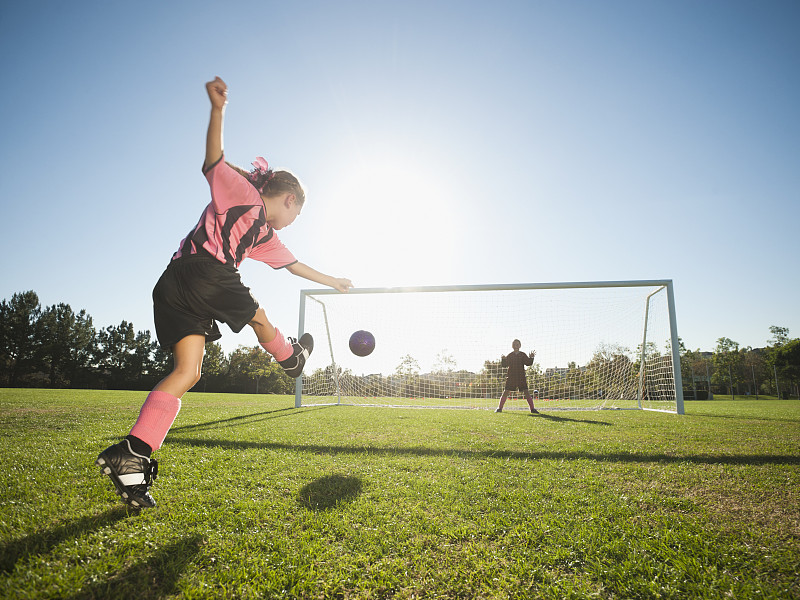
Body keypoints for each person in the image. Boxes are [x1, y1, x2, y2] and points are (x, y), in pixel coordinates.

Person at [96, 76, 352, 509]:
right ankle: (292, 358)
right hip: (205, 272)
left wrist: (332, 281)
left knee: (189, 372)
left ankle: (132, 454)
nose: (294, 221)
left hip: (175, 285)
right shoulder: (245, 195)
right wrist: (218, 110)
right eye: (298, 213)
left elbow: (292, 265)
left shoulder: (263, 236)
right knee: (257, 316)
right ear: (288, 199)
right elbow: (214, 161)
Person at [495, 339, 538, 414]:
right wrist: (503, 359)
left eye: (517, 344)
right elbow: (504, 365)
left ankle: (532, 409)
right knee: (506, 391)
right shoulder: (510, 355)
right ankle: (499, 408)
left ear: (520, 345)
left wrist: (531, 358)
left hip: (521, 376)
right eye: (514, 344)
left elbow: (528, 363)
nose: (516, 346)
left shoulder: (522, 355)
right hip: (511, 377)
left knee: (526, 392)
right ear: (512, 346)